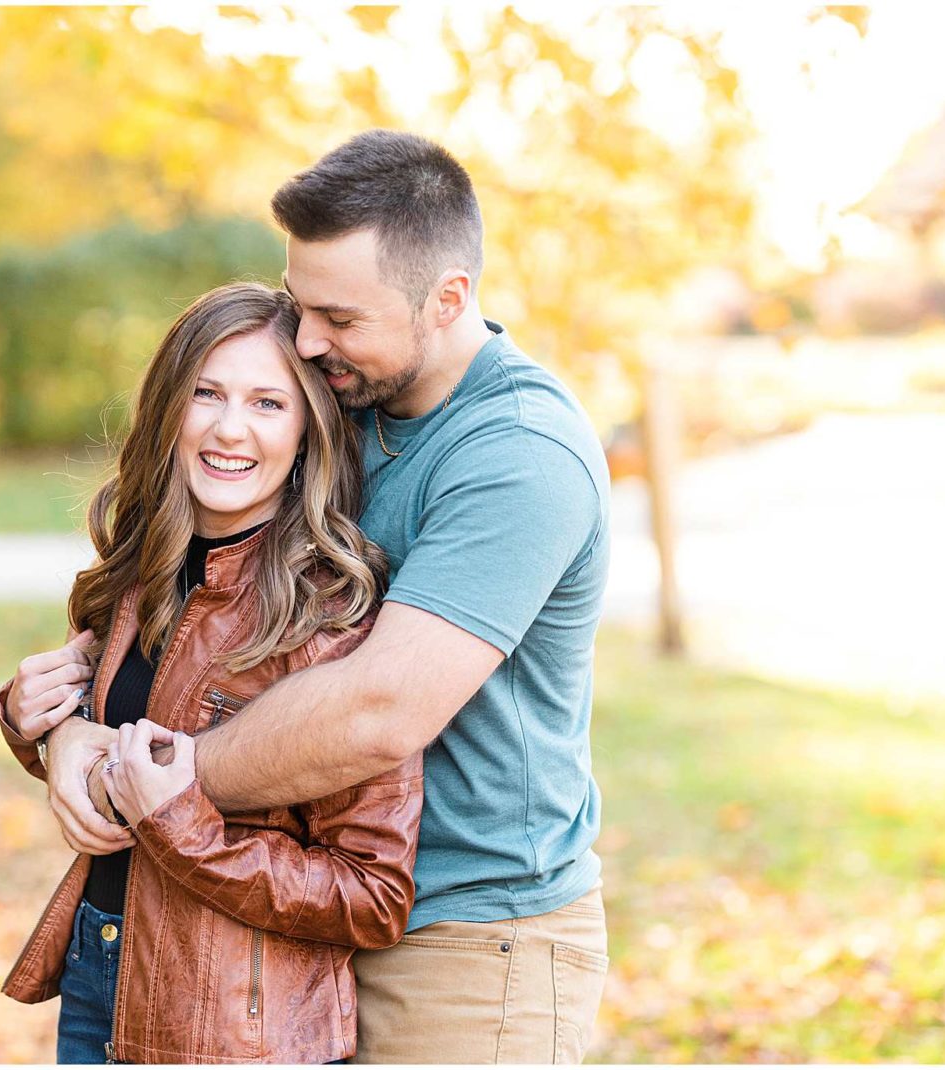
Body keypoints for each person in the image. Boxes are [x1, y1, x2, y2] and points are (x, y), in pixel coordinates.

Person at [32, 131, 613, 1064]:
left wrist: (138, 780)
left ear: (448, 299)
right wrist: (62, 729)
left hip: (468, 942)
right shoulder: (342, 400)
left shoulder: (519, 455)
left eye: (338, 317)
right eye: (301, 307)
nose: (306, 342)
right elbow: (196, 611)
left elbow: (374, 711)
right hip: (288, 928)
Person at [0, 282, 425, 1064]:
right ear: (169, 408)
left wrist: (185, 826)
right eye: (206, 394)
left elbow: (372, 894)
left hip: (233, 1025)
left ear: (308, 433)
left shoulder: (329, 615)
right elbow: (116, 751)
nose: (230, 429)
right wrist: (35, 720)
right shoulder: (134, 571)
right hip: (103, 972)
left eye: (268, 404)